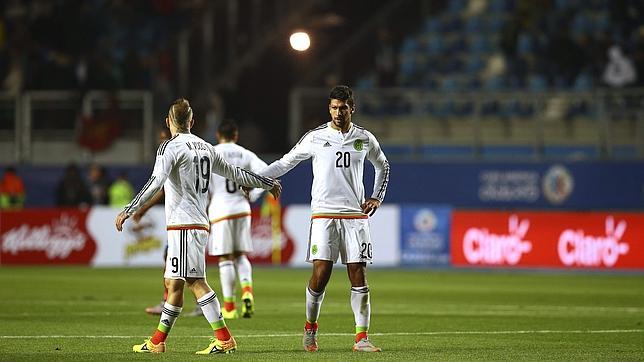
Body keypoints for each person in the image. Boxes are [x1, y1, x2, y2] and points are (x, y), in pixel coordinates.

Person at [115, 98, 281, 354]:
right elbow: (236, 173)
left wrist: (130, 208)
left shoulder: (169, 147)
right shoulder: (206, 147)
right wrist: (266, 183)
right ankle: (158, 342)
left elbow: (156, 181)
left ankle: (224, 338)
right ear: (192, 122)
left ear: (168, 122)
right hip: (199, 223)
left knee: (195, 282)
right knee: (174, 283)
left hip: (184, 224)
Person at [258, 85, 390, 353]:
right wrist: (258, 179)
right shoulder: (315, 137)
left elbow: (383, 165)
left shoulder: (364, 138)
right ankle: (310, 328)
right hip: (324, 214)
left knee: (358, 273)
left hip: (355, 215)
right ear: (329, 108)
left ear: (352, 108)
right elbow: (286, 162)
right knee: (321, 273)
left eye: (343, 108)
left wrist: (376, 196)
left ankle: (361, 337)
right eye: (333, 107)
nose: (338, 112)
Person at [206, 120, 268, 319]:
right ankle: (247, 292)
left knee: (225, 258)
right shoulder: (245, 153)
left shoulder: (211, 152)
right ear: (236, 135)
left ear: (218, 135)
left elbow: (204, 183)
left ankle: (230, 307)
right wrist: (254, 194)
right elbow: (266, 172)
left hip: (221, 209)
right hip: (242, 208)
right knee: (241, 255)